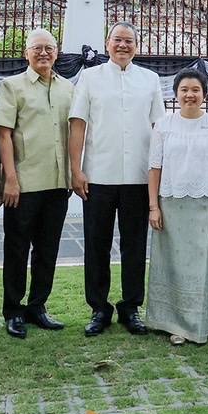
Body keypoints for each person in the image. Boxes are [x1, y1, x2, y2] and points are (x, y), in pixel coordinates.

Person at [70, 22, 165, 337]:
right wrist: (76, 168)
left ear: (137, 45)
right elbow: (78, 123)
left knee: (135, 245)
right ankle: (99, 308)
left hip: (138, 176)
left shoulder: (150, 80)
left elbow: (159, 129)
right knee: (96, 244)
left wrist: (161, 173)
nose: (123, 46)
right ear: (107, 43)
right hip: (98, 174)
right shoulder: (90, 77)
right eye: (117, 40)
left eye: (129, 41)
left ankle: (131, 307)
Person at [0, 29, 75, 339]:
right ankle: (13, 310)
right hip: (24, 183)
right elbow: (4, 134)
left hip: (57, 183)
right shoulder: (12, 86)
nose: (44, 53)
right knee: (17, 249)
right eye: (37, 48)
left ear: (57, 53)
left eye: (49, 48)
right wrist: (10, 180)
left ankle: (38, 305)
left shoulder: (68, 88)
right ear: (27, 53)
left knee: (48, 249)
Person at [147, 70, 208, 346]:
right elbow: (154, 168)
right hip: (170, 204)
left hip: (205, 205)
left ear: (204, 94)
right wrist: (153, 207)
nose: (189, 95)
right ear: (175, 94)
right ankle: (172, 323)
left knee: (201, 264)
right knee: (171, 263)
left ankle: (202, 322)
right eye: (184, 89)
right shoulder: (163, 126)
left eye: (195, 90)